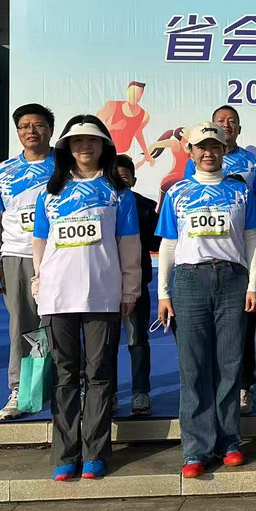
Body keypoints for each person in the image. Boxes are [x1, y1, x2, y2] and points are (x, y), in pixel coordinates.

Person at [32, 115, 141, 481]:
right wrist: (38, 283)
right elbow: (40, 245)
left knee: (99, 374)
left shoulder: (118, 194)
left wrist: (130, 288)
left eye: (92, 140)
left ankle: (95, 451)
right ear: (66, 147)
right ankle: (65, 453)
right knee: (64, 376)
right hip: (57, 296)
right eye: (77, 141)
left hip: (102, 296)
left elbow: (129, 246)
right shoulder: (49, 193)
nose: (84, 146)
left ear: (104, 146)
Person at [156, 122, 256, 479]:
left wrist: (253, 285)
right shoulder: (177, 192)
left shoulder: (240, 190)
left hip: (232, 280)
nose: (208, 153)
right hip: (190, 281)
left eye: (214, 146)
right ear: (190, 152)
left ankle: (229, 441)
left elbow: (252, 239)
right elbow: (168, 245)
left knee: (230, 363)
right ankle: (196, 448)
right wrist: (163, 292)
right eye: (201, 147)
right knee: (194, 366)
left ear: (223, 150)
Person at [186, 105, 256, 414]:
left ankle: (245, 384)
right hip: (206, 255)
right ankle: (213, 388)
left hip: (245, 240)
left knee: (245, 322)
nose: (227, 124)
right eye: (221, 120)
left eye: (232, 121)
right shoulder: (196, 163)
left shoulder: (252, 162)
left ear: (238, 129)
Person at [0, 104, 57, 420]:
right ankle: (21, 391)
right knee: (21, 328)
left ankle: (71, 387)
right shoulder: (2, 172)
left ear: (50, 130)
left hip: (61, 258)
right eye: (25, 126)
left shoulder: (67, 167)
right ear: (18, 132)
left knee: (63, 327)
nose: (31, 131)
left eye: (38, 125)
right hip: (17, 258)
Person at [115, 154, 160, 416]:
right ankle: (107, 393)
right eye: (115, 177)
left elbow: (157, 243)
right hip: (102, 285)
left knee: (137, 340)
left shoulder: (144, 206)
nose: (120, 182)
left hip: (136, 285)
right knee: (104, 344)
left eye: (125, 177)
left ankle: (140, 392)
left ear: (134, 179)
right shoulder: (96, 204)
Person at [97, 81, 151, 157]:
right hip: (107, 152)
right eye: (131, 93)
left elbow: (138, 133)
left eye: (137, 94)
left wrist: (146, 153)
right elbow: (94, 125)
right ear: (127, 91)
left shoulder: (144, 115)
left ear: (141, 95)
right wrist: (114, 126)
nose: (133, 96)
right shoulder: (112, 106)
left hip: (125, 154)